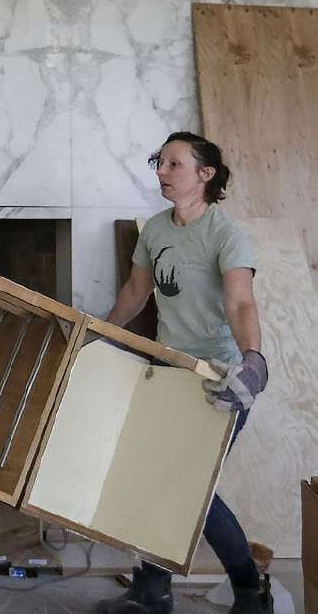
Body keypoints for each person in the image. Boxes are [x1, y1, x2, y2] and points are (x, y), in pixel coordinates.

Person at [100, 132, 270, 614]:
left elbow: (240, 301)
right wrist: (102, 332)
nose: (161, 173)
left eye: (174, 164)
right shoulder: (155, 230)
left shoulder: (225, 234)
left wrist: (252, 360)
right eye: (160, 163)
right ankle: (153, 592)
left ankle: (250, 592)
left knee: (191, 490)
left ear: (205, 174)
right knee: (156, 481)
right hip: (165, 370)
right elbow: (137, 293)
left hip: (217, 379)